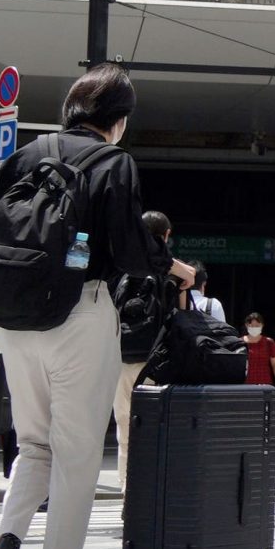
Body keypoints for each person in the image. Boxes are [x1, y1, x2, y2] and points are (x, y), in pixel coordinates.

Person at [0, 65, 189, 549]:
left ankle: (8, 539)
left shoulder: (26, 154)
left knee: (34, 443)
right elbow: (128, 249)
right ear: (118, 121)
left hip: (17, 319)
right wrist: (169, 265)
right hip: (82, 311)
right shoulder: (113, 162)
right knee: (76, 455)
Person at [108, 209, 174, 488]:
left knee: (125, 428)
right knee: (154, 430)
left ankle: (128, 490)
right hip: (153, 362)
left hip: (119, 359)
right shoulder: (166, 269)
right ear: (166, 236)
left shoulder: (119, 267)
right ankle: (148, 491)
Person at [242, 313, 275, 403]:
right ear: (246, 325)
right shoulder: (239, 342)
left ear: (262, 326)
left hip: (265, 385)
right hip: (245, 386)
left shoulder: (269, 342)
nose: (254, 328)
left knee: (264, 414)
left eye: (257, 325)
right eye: (251, 325)